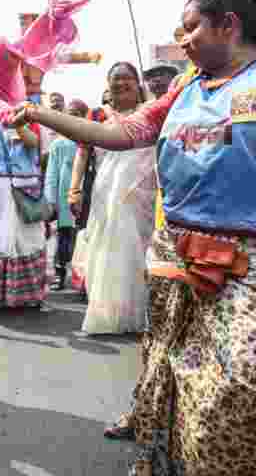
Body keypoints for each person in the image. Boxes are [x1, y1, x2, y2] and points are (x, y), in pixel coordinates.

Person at [7, 0, 256, 475]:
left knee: (240, 379)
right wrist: (39, 113)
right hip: (177, 248)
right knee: (167, 367)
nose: (183, 40)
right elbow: (120, 133)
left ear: (229, 24)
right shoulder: (184, 86)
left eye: (191, 28)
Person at [68, 62, 156, 335]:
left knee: (139, 249)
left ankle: (140, 313)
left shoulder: (150, 113)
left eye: (127, 78)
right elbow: (82, 153)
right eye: (115, 79)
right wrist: (74, 189)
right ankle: (107, 312)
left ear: (137, 82)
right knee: (106, 245)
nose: (121, 84)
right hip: (107, 189)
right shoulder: (97, 114)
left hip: (142, 190)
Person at [0, 88, 47, 309]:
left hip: (25, 185)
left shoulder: (32, 116)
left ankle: (29, 295)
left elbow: (33, 143)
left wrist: (18, 123)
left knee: (27, 239)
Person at [43, 99, 87, 291]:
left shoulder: (90, 140)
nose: (73, 117)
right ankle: (60, 275)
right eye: (70, 113)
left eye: (78, 113)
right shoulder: (58, 144)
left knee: (85, 237)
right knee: (64, 237)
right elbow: (51, 173)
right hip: (63, 197)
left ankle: (84, 278)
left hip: (87, 195)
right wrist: (50, 200)